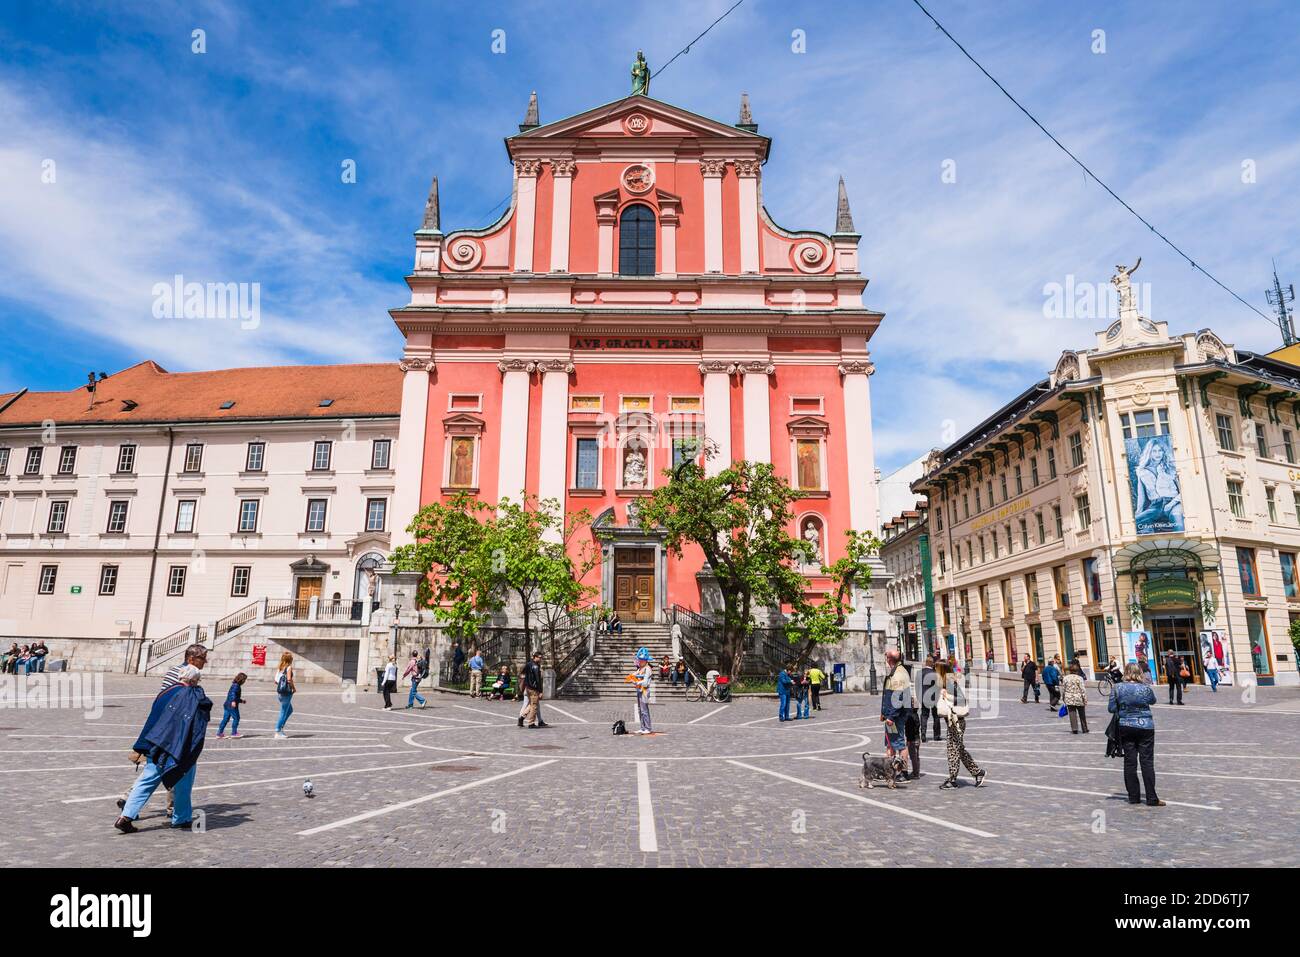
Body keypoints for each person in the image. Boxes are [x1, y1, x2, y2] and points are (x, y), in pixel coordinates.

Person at [114, 665, 211, 833]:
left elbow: (153, 718)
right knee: (183, 782)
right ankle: (181, 818)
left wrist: (144, 745)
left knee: (146, 782)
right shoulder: (192, 695)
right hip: (179, 748)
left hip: (156, 744)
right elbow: (203, 711)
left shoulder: (166, 692)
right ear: (194, 681)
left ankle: (125, 816)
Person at [1108, 662, 1164, 807]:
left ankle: (1133, 797)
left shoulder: (1117, 687)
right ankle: (1152, 798)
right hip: (1146, 726)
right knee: (1147, 762)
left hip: (1126, 726)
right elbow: (1153, 701)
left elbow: (1111, 708)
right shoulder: (1145, 687)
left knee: (1130, 762)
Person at [935, 660, 985, 790]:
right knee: (959, 750)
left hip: (957, 722)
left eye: (936, 669)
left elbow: (962, 699)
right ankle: (978, 772)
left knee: (953, 750)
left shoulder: (950, 682)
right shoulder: (947, 681)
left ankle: (952, 780)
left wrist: (947, 696)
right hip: (954, 721)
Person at [880, 650, 912, 775]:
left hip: (895, 717)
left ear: (889, 659)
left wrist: (891, 716)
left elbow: (898, 698)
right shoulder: (896, 671)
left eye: (886, 657)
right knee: (890, 743)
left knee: (898, 744)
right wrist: (884, 712)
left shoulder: (898, 674)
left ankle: (904, 772)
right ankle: (889, 771)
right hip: (891, 715)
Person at [216, 672, 247, 738]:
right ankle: (234, 733)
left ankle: (219, 733)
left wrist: (241, 701)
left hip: (227, 704)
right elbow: (233, 694)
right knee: (236, 718)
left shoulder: (234, 685)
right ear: (241, 679)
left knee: (225, 719)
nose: (245, 681)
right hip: (231, 706)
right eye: (244, 680)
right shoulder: (236, 686)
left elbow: (235, 696)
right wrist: (233, 701)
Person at [1061, 662, 1089, 734]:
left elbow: (1063, 689)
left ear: (1070, 670)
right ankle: (1084, 728)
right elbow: (1083, 690)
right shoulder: (1079, 678)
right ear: (1077, 671)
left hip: (1069, 698)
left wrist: (1063, 698)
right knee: (1082, 714)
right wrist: (1085, 699)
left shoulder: (1065, 678)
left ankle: (1074, 729)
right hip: (1079, 698)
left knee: (1072, 714)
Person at [520, 651, 546, 728]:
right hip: (534, 688)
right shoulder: (536, 666)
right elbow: (538, 680)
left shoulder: (528, 664)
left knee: (532, 704)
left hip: (528, 687)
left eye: (541, 657)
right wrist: (540, 691)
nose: (540, 659)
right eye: (539, 657)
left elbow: (522, 673)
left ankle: (522, 717)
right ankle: (531, 723)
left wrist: (527, 681)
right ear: (535, 657)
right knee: (534, 706)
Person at [631, 647, 654, 734]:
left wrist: (638, 682)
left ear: (645, 660)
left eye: (641, 660)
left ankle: (648, 728)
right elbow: (634, 674)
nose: (639, 661)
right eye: (639, 660)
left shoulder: (648, 668)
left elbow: (645, 682)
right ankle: (642, 727)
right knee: (640, 709)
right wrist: (631, 677)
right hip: (639, 690)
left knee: (644, 710)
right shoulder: (640, 668)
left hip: (645, 690)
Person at [274, 652, 296, 737]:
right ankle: (278, 731)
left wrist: (282, 685)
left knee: (289, 710)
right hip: (286, 693)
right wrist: (293, 688)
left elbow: (276, 681)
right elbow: (289, 680)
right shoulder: (289, 667)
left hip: (280, 693)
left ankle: (281, 726)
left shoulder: (280, 667)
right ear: (290, 659)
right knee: (283, 712)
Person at [919, 655, 941, 741]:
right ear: (932, 664)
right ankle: (936, 735)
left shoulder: (920, 672)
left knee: (924, 716)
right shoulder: (935, 673)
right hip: (934, 697)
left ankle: (923, 734)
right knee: (936, 716)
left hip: (924, 696)